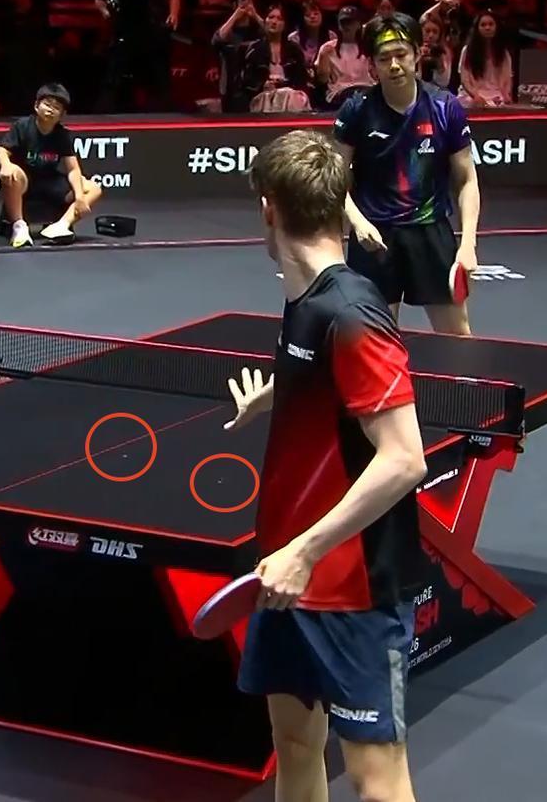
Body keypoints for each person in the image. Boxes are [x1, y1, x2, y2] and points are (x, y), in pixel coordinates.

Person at [225, 128, 429, 802]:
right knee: (294, 744)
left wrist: (305, 551)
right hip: (287, 576)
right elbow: (333, 390)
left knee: (377, 781)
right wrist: (280, 393)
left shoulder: (352, 312)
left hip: (350, 587)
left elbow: (404, 458)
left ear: (268, 209)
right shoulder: (306, 300)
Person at [333, 12, 481, 336]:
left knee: (457, 338)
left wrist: (468, 244)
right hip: (375, 237)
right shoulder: (357, 110)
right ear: (372, 66)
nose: (395, 65)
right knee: (377, 342)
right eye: (384, 58)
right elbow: (335, 178)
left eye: (401, 54)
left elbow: (466, 179)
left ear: (417, 53)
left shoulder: (445, 108)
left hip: (430, 233)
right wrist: (357, 222)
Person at [0, 83, 103, 247]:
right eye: (47, 104)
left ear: (62, 114)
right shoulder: (22, 126)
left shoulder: (62, 134)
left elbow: (73, 169)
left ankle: (62, 226)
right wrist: (6, 165)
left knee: (93, 188)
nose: (51, 110)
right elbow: (2, 151)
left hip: (51, 183)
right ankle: (19, 227)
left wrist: (80, 197)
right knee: (12, 174)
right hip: (25, 181)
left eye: (57, 107)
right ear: (36, 106)